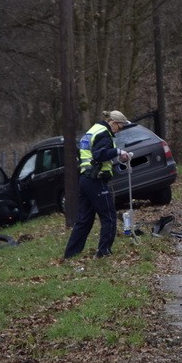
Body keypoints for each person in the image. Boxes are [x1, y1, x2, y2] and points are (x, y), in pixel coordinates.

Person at [63, 110, 133, 259]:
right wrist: (118, 151)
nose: (119, 130)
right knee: (109, 215)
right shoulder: (104, 134)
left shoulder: (93, 130)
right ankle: (103, 251)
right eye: (120, 127)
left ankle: (71, 253)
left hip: (85, 179)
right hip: (96, 179)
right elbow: (99, 155)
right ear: (113, 123)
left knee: (85, 219)